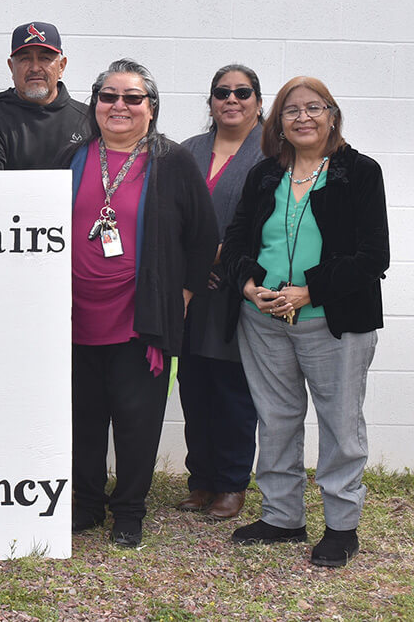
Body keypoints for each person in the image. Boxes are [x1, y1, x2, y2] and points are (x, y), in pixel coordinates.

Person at [223, 76, 388, 568]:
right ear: (278, 124)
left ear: (332, 115)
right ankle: (282, 517)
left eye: (314, 108)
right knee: (275, 421)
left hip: (334, 321)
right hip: (264, 320)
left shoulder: (358, 173)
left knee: (340, 425)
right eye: (291, 111)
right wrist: (249, 285)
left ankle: (341, 526)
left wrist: (311, 290)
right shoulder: (264, 175)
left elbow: (373, 255)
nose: (303, 118)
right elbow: (236, 241)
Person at [69, 59, 218, 548]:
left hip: (142, 318)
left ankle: (129, 510)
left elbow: (203, 237)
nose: (119, 106)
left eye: (133, 98)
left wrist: (185, 296)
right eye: (109, 96)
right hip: (72, 316)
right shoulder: (69, 157)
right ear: (95, 105)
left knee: (136, 422)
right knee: (83, 418)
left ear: (151, 109)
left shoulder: (172, 161)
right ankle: (87, 504)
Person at [175, 65, 267, 520]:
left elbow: (272, 222)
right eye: (222, 92)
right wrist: (193, 263)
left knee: (233, 391)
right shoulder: (188, 151)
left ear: (258, 100)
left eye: (242, 92)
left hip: (239, 288)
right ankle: (201, 480)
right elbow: (171, 213)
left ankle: (231, 484)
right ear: (210, 101)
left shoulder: (275, 151)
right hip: (193, 289)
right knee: (193, 385)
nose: (232, 100)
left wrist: (223, 258)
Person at [0, 21, 87, 171]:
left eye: (45, 58)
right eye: (25, 59)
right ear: (11, 67)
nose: (35, 68)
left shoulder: (88, 120)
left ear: (61, 66)